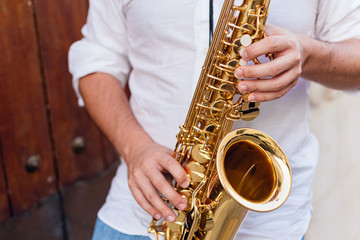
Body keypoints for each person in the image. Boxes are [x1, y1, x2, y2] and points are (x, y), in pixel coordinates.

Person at [68, 0, 360, 239]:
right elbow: (97, 59)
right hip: (141, 216)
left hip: (271, 225)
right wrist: (133, 147)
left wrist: (309, 55)